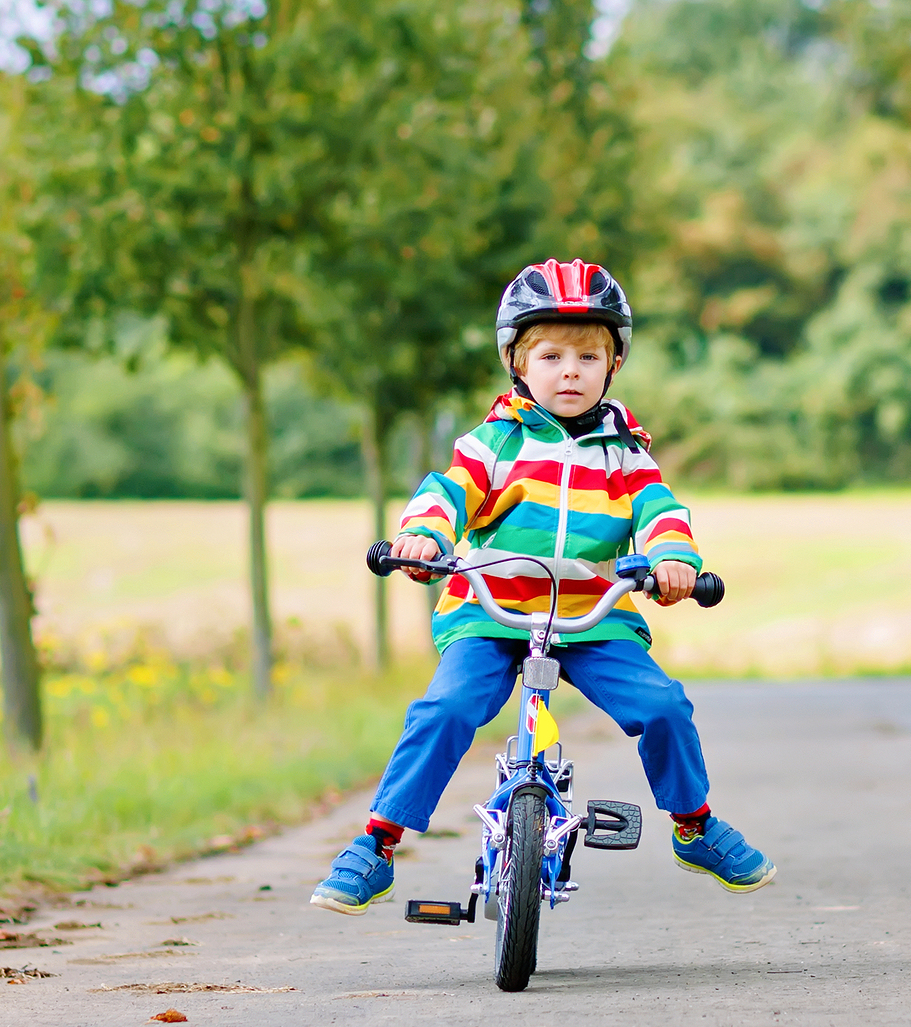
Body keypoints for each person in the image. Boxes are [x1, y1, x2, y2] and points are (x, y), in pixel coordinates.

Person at [311, 258, 775, 915]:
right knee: (444, 711)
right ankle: (376, 845)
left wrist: (672, 560)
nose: (570, 371)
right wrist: (425, 539)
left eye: (589, 356)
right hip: (492, 613)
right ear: (518, 363)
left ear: (612, 365)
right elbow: (446, 494)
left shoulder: (626, 455)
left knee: (665, 706)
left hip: (593, 620)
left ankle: (694, 826)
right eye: (551, 355)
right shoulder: (493, 443)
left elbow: (662, 514)